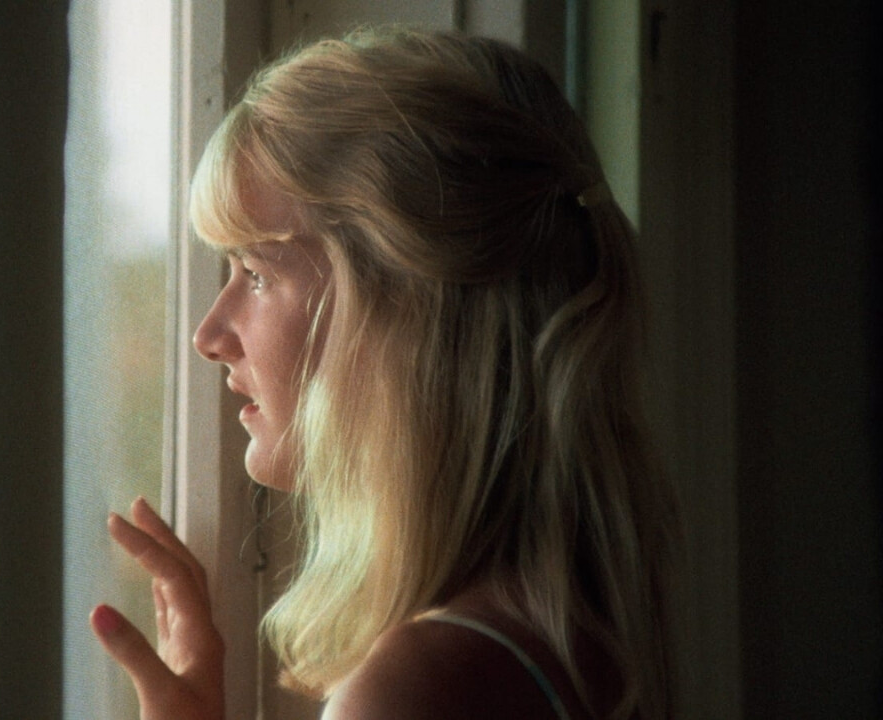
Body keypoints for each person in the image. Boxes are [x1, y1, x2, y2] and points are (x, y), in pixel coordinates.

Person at [89, 26, 678, 720]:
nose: (208, 336)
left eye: (256, 273)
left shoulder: (419, 687)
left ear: (401, 314)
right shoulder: (569, 635)